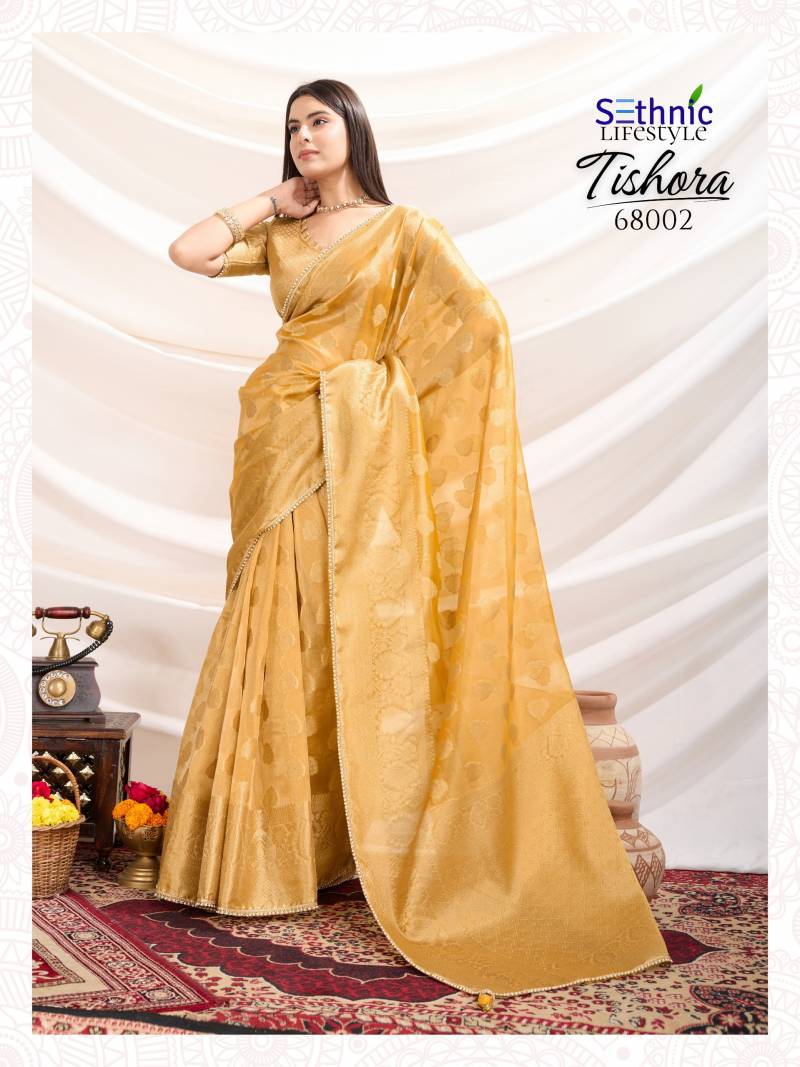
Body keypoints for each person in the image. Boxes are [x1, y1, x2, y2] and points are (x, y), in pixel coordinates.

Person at [154, 78, 672, 1007]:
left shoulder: (405, 231)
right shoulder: (283, 233)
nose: (304, 135)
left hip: (354, 441)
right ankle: (261, 855)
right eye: (292, 126)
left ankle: (340, 845)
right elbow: (187, 251)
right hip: (278, 430)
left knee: (339, 623)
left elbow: (480, 329)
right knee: (271, 613)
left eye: (319, 120)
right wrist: (271, 198)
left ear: (354, 128)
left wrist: (380, 392)